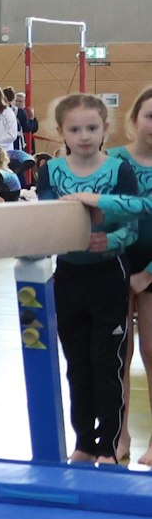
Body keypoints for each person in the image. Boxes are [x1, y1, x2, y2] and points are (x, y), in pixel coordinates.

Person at [37, 93, 139, 464]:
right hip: (68, 275)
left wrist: (107, 239)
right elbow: (46, 219)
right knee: (77, 363)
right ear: (60, 131)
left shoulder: (117, 171)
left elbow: (132, 224)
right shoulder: (51, 171)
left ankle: (109, 446)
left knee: (106, 362)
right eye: (75, 129)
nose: (83, 136)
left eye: (92, 128)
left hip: (109, 273)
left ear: (105, 130)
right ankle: (83, 442)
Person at [106, 87, 152, 464]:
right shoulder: (115, 161)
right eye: (149, 115)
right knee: (119, 353)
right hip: (118, 261)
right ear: (135, 119)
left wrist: (148, 274)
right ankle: (119, 434)